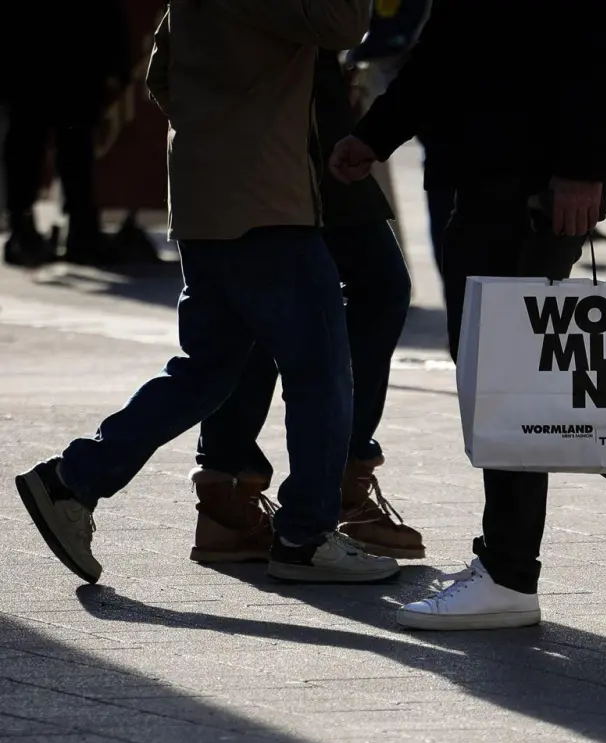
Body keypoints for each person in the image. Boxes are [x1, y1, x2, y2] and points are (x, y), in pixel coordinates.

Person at [328, 0, 606, 630]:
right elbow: (452, 40)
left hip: (532, 171)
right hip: (499, 166)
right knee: (504, 363)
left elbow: (585, 27)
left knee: (500, 366)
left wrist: (580, 165)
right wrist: (377, 134)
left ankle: (516, 568)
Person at [13, 0, 399, 586]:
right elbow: (344, 23)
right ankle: (305, 536)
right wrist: (252, 131)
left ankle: (72, 481)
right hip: (266, 202)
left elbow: (160, 75)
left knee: (209, 369)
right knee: (320, 369)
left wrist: (215, 130)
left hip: (205, 199)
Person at [188, 49, 423, 565]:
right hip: (276, 120)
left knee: (374, 286)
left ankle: (273, 488)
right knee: (262, 299)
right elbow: (338, 20)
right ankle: (239, 495)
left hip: (310, 107)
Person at [2, 0, 130, 267]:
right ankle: (68, 228)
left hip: (44, 60)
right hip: (68, 58)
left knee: (41, 147)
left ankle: (36, 224)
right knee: (61, 149)